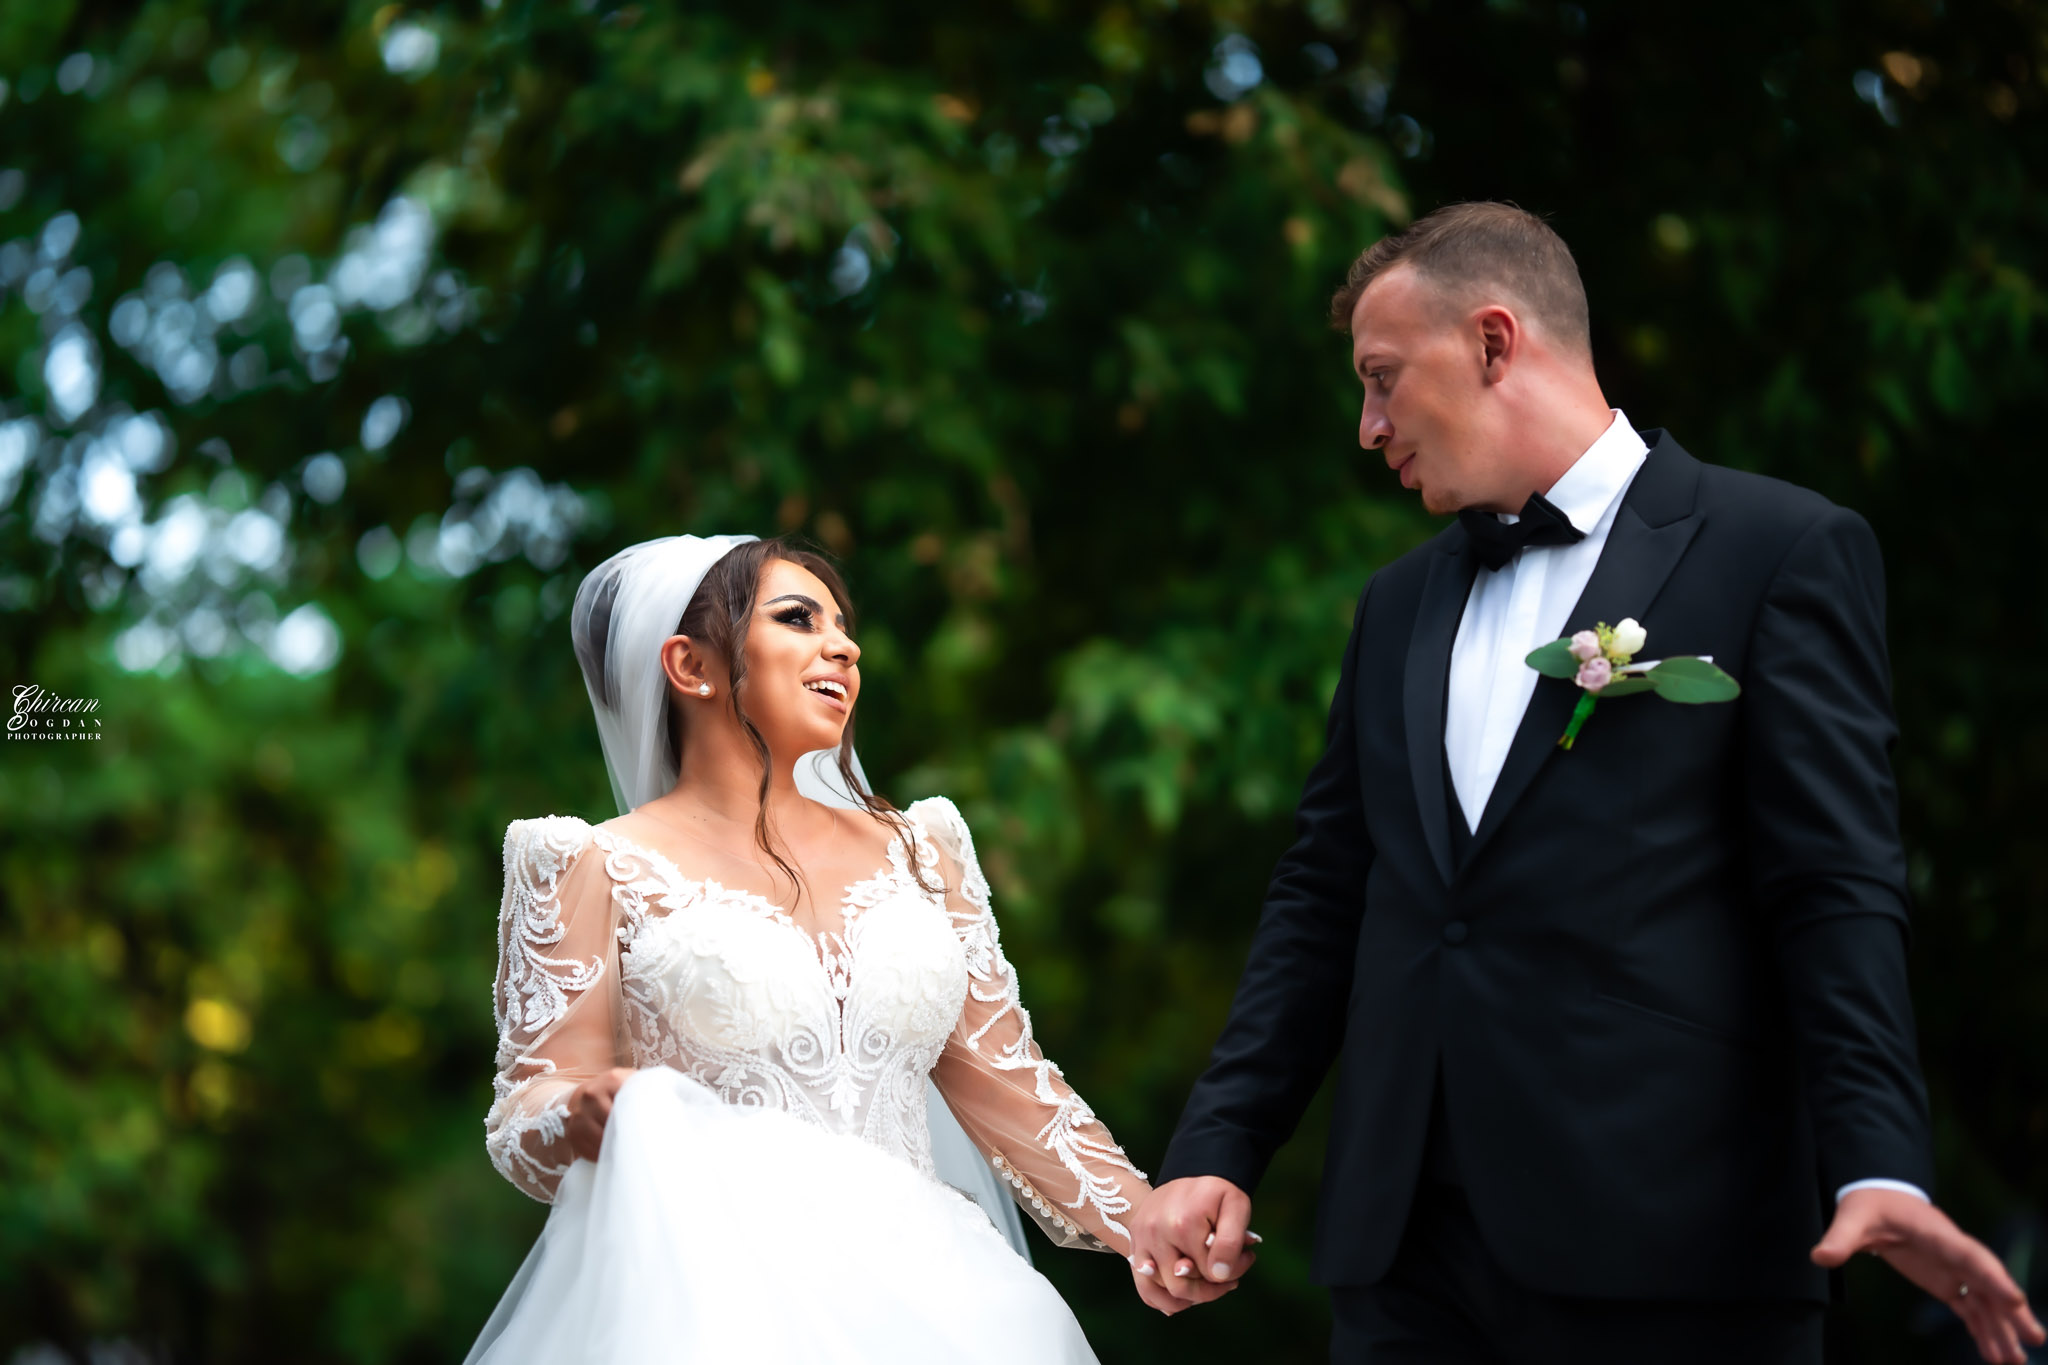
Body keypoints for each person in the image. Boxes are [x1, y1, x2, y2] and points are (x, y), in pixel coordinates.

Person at [1124, 203, 2047, 1364]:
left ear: (1492, 341)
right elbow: (1322, 893)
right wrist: (1217, 1146)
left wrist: (1878, 1164)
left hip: (1672, 1247)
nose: (1367, 427)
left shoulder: (1775, 549)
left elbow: (1832, 886)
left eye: (1380, 378)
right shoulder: (1396, 604)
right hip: (1403, 1264)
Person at [465, 533, 1154, 1364]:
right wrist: (578, 1112)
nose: (845, 647)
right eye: (799, 618)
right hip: (717, 1304)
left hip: (946, 1305)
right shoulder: (586, 863)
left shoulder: (923, 850)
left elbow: (1010, 1083)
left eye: (843, 626)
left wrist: (1147, 1218)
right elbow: (522, 1112)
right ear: (691, 665)